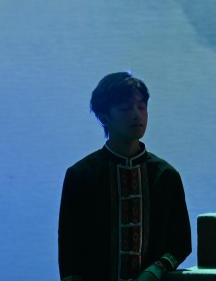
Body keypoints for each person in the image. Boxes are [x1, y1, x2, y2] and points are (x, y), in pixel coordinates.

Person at [59, 72, 191, 281]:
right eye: (125, 108)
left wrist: (155, 270)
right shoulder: (81, 175)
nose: (136, 115)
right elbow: (69, 248)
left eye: (141, 107)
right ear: (104, 117)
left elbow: (181, 243)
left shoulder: (165, 175)